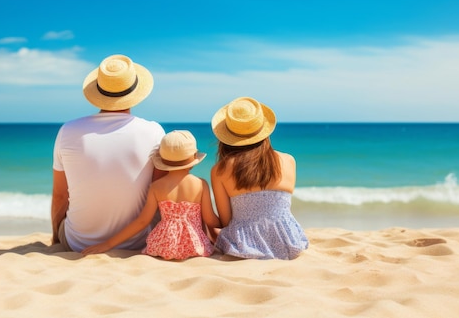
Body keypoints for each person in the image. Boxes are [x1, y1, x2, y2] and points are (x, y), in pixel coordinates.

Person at [51, 54, 166, 252]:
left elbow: (60, 196)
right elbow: (161, 192)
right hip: (136, 242)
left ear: (98, 91)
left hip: (77, 243)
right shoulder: (153, 131)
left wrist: (56, 238)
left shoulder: (68, 131)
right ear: (135, 92)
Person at [82, 130, 220, 260]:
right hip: (193, 246)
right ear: (195, 157)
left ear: (163, 159)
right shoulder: (200, 184)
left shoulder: (156, 187)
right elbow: (210, 220)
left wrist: (108, 244)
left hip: (163, 245)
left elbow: (142, 221)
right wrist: (228, 222)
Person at [210, 97, 309, 260]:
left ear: (226, 137)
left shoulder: (220, 170)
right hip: (288, 240)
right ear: (264, 131)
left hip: (244, 245)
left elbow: (226, 221)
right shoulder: (289, 160)